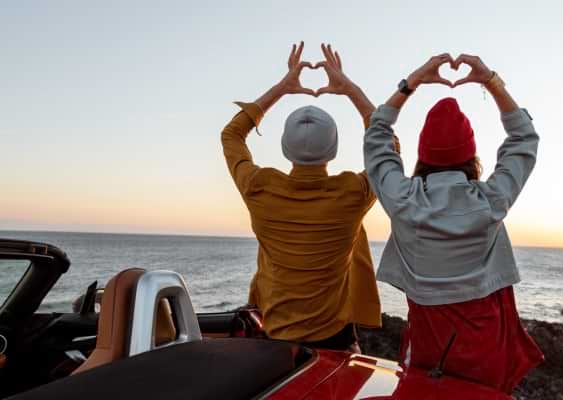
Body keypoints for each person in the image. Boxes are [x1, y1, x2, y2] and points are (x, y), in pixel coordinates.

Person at [364, 53, 543, 393]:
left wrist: (411, 82)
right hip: (485, 344)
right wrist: (491, 81)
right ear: (472, 158)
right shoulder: (490, 200)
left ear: (422, 157)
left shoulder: (403, 200)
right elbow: (524, 139)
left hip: (429, 343)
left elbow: (377, 135)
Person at [220, 42, 380, 350]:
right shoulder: (352, 193)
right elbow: (387, 147)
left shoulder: (259, 187)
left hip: (275, 336)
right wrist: (351, 90)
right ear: (333, 149)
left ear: (284, 147)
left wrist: (281, 88)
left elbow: (231, 134)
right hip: (336, 337)